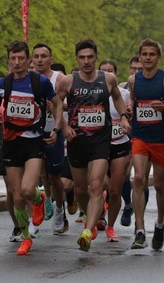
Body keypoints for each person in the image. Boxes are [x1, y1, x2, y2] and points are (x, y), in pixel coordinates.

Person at [0, 41, 65, 256]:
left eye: (21, 58)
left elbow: (57, 104)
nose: (17, 63)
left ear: (28, 60)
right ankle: (26, 237)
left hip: (33, 140)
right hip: (11, 142)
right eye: (13, 59)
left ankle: (39, 200)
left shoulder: (41, 82)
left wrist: (57, 127)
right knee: (17, 196)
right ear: (8, 61)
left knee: (28, 189)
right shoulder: (2, 84)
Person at [54, 39, 130, 252]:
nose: (86, 61)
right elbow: (56, 103)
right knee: (80, 189)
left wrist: (123, 117)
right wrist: (63, 125)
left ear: (96, 57)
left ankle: (87, 231)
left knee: (96, 185)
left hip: (100, 140)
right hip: (76, 141)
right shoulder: (68, 81)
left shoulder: (108, 79)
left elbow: (117, 98)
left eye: (90, 57)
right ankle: (90, 215)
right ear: (77, 59)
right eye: (82, 58)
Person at [126, 38, 164, 250]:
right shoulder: (133, 80)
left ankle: (159, 223)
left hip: (160, 138)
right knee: (139, 178)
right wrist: (130, 110)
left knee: (159, 184)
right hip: (140, 135)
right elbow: (132, 101)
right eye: (145, 54)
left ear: (158, 57)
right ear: (140, 57)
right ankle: (140, 229)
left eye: (152, 54)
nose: (148, 58)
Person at [32, 42, 69, 234]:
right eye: (36, 56)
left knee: (54, 176)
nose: (39, 60)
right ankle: (38, 209)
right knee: (34, 174)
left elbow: (68, 106)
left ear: (50, 59)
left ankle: (60, 210)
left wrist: (54, 108)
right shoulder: (27, 78)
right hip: (32, 133)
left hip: (54, 130)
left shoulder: (60, 79)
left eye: (43, 56)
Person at [99, 59, 131, 242]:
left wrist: (128, 115)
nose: (107, 74)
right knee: (101, 184)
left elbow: (131, 113)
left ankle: (110, 227)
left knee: (115, 189)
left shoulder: (125, 94)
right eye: (103, 71)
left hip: (120, 142)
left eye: (110, 71)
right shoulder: (93, 93)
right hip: (99, 144)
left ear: (115, 74)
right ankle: (98, 213)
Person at [119, 55, 143, 226]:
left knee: (140, 177)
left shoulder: (154, 87)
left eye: (140, 69)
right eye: (133, 69)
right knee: (124, 175)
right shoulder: (121, 88)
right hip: (126, 135)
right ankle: (128, 204)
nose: (136, 72)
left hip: (144, 135)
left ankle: (139, 219)